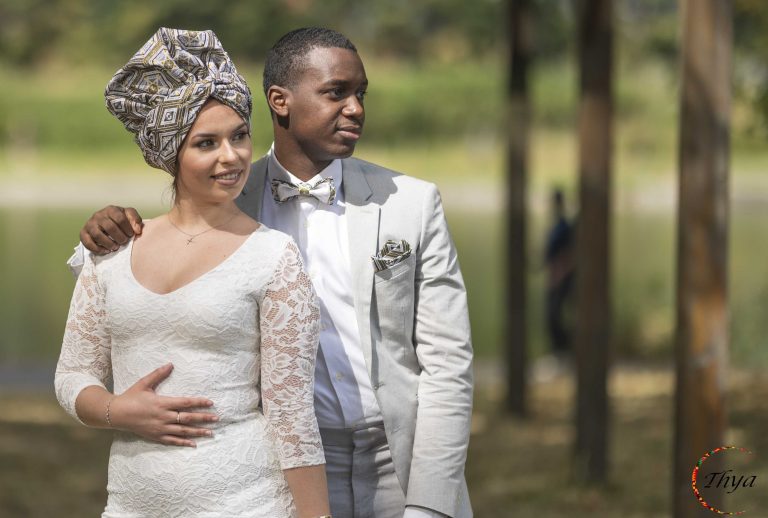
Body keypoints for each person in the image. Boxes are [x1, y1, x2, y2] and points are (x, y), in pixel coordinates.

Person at [72, 27, 473, 518]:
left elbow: (448, 366)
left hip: (398, 458)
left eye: (361, 93)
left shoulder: (412, 204)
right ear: (280, 101)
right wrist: (108, 225)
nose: (356, 109)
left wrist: (431, 505)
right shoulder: (226, 194)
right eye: (336, 92)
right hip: (279, 467)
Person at [55, 28, 330, 518]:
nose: (232, 156)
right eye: (207, 143)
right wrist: (120, 411)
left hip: (248, 504)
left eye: (240, 135)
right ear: (170, 154)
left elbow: (291, 417)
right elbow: (72, 375)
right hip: (129, 507)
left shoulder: (273, 256)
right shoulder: (113, 249)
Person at [544, 188, 575, 357]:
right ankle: (558, 351)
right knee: (551, 316)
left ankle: (563, 351)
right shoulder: (556, 226)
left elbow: (568, 253)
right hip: (555, 277)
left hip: (561, 278)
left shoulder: (563, 227)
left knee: (556, 315)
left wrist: (559, 275)